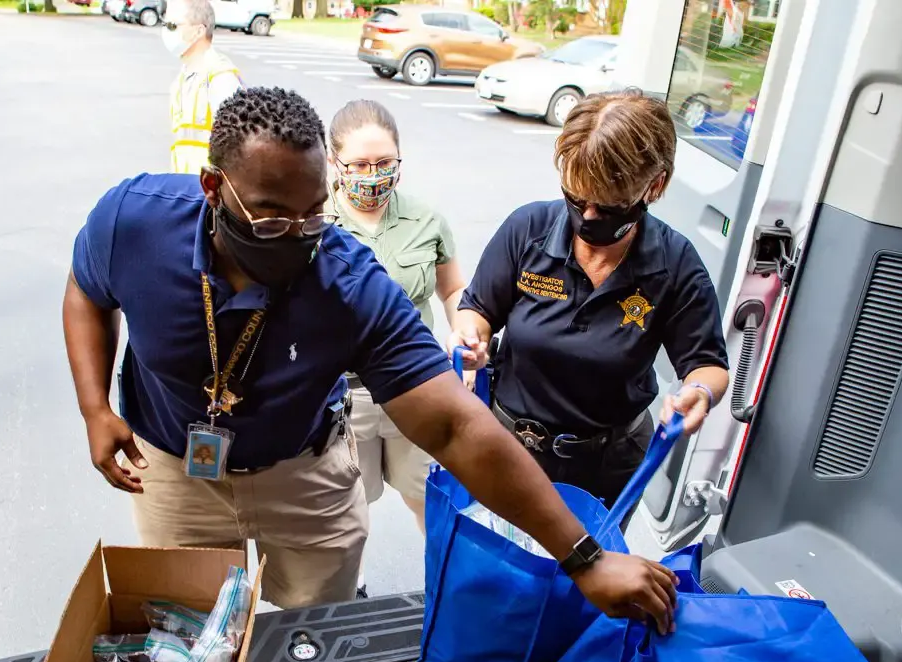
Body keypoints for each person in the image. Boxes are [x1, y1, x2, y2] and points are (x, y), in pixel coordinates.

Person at [64, 87, 679, 632]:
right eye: (271, 219)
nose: (299, 237)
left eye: (313, 214)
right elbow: (86, 292)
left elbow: (455, 425)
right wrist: (95, 408)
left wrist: (584, 558)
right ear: (213, 188)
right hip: (175, 471)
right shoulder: (134, 221)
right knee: (191, 629)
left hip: (302, 470)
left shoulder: (350, 285)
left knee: (317, 629)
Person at [451, 90, 730, 526]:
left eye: (608, 204)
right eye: (577, 199)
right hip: (507, 447)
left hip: (606, 466)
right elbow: (477, 310)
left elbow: (708, 365)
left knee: (586, 566)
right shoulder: (528, 230)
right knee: (495, 560)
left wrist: (700, 392)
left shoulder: (674, 264)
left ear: (655, 185)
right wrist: (471, 337)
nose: (588, 215)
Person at [329, 100, 467, 550]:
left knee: (428, 496)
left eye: (384, 162)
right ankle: (351, 582)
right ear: (334, 162)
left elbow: (452, 289)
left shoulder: (425, 220)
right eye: (360, 164)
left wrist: (463, 329)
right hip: (344, 396)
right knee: (347, 504)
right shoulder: (315, 224)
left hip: (417, 386)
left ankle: (441, 577)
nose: (373, 175)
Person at [163, 0, 242, 174]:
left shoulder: (220, 77)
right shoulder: (182, 78)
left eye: (172, 25)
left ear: (199, 31)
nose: (166, 31)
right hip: (188, 186)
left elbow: (238, 145)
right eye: (165, 24)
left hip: (211, 187)